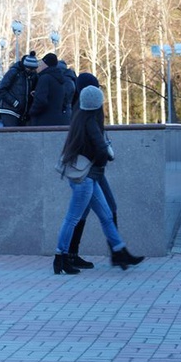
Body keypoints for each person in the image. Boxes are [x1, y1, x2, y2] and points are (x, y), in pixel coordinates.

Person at [53, 85, 144, 274]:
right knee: (72, 218)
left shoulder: (79, 118)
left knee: (106, 216)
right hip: (85, 180)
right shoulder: (91, 122)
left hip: (87, 178)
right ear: (97, 104)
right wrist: (106, 158)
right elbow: (102, 149)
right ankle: (60, 257)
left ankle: (120, 250)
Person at [65, 72, 118, 269]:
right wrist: (103, 153)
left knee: (90, 212)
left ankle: (115, 252)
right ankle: (68, 254)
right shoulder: (84, 110)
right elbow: (92, 139)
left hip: (92, 170)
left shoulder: (85, 107)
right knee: (88, 213)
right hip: (89, 170)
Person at [0, 51, 39, 127]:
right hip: (9, 110)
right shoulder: (14, 72)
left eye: (33, 69)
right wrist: (15, 103)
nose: (31, 71)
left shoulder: (32, 76)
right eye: (29, 69)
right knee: (12, 135)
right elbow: (1, 90)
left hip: (21, 112)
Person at [28, 52, 69, 126]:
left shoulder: (45, 78)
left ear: (45, 64)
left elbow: (41, 100)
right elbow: (64, 100)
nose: (39, 66)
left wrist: (31, 112)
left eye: (41, 63)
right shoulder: (60, 79)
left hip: (42, 121)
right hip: (57, 121)